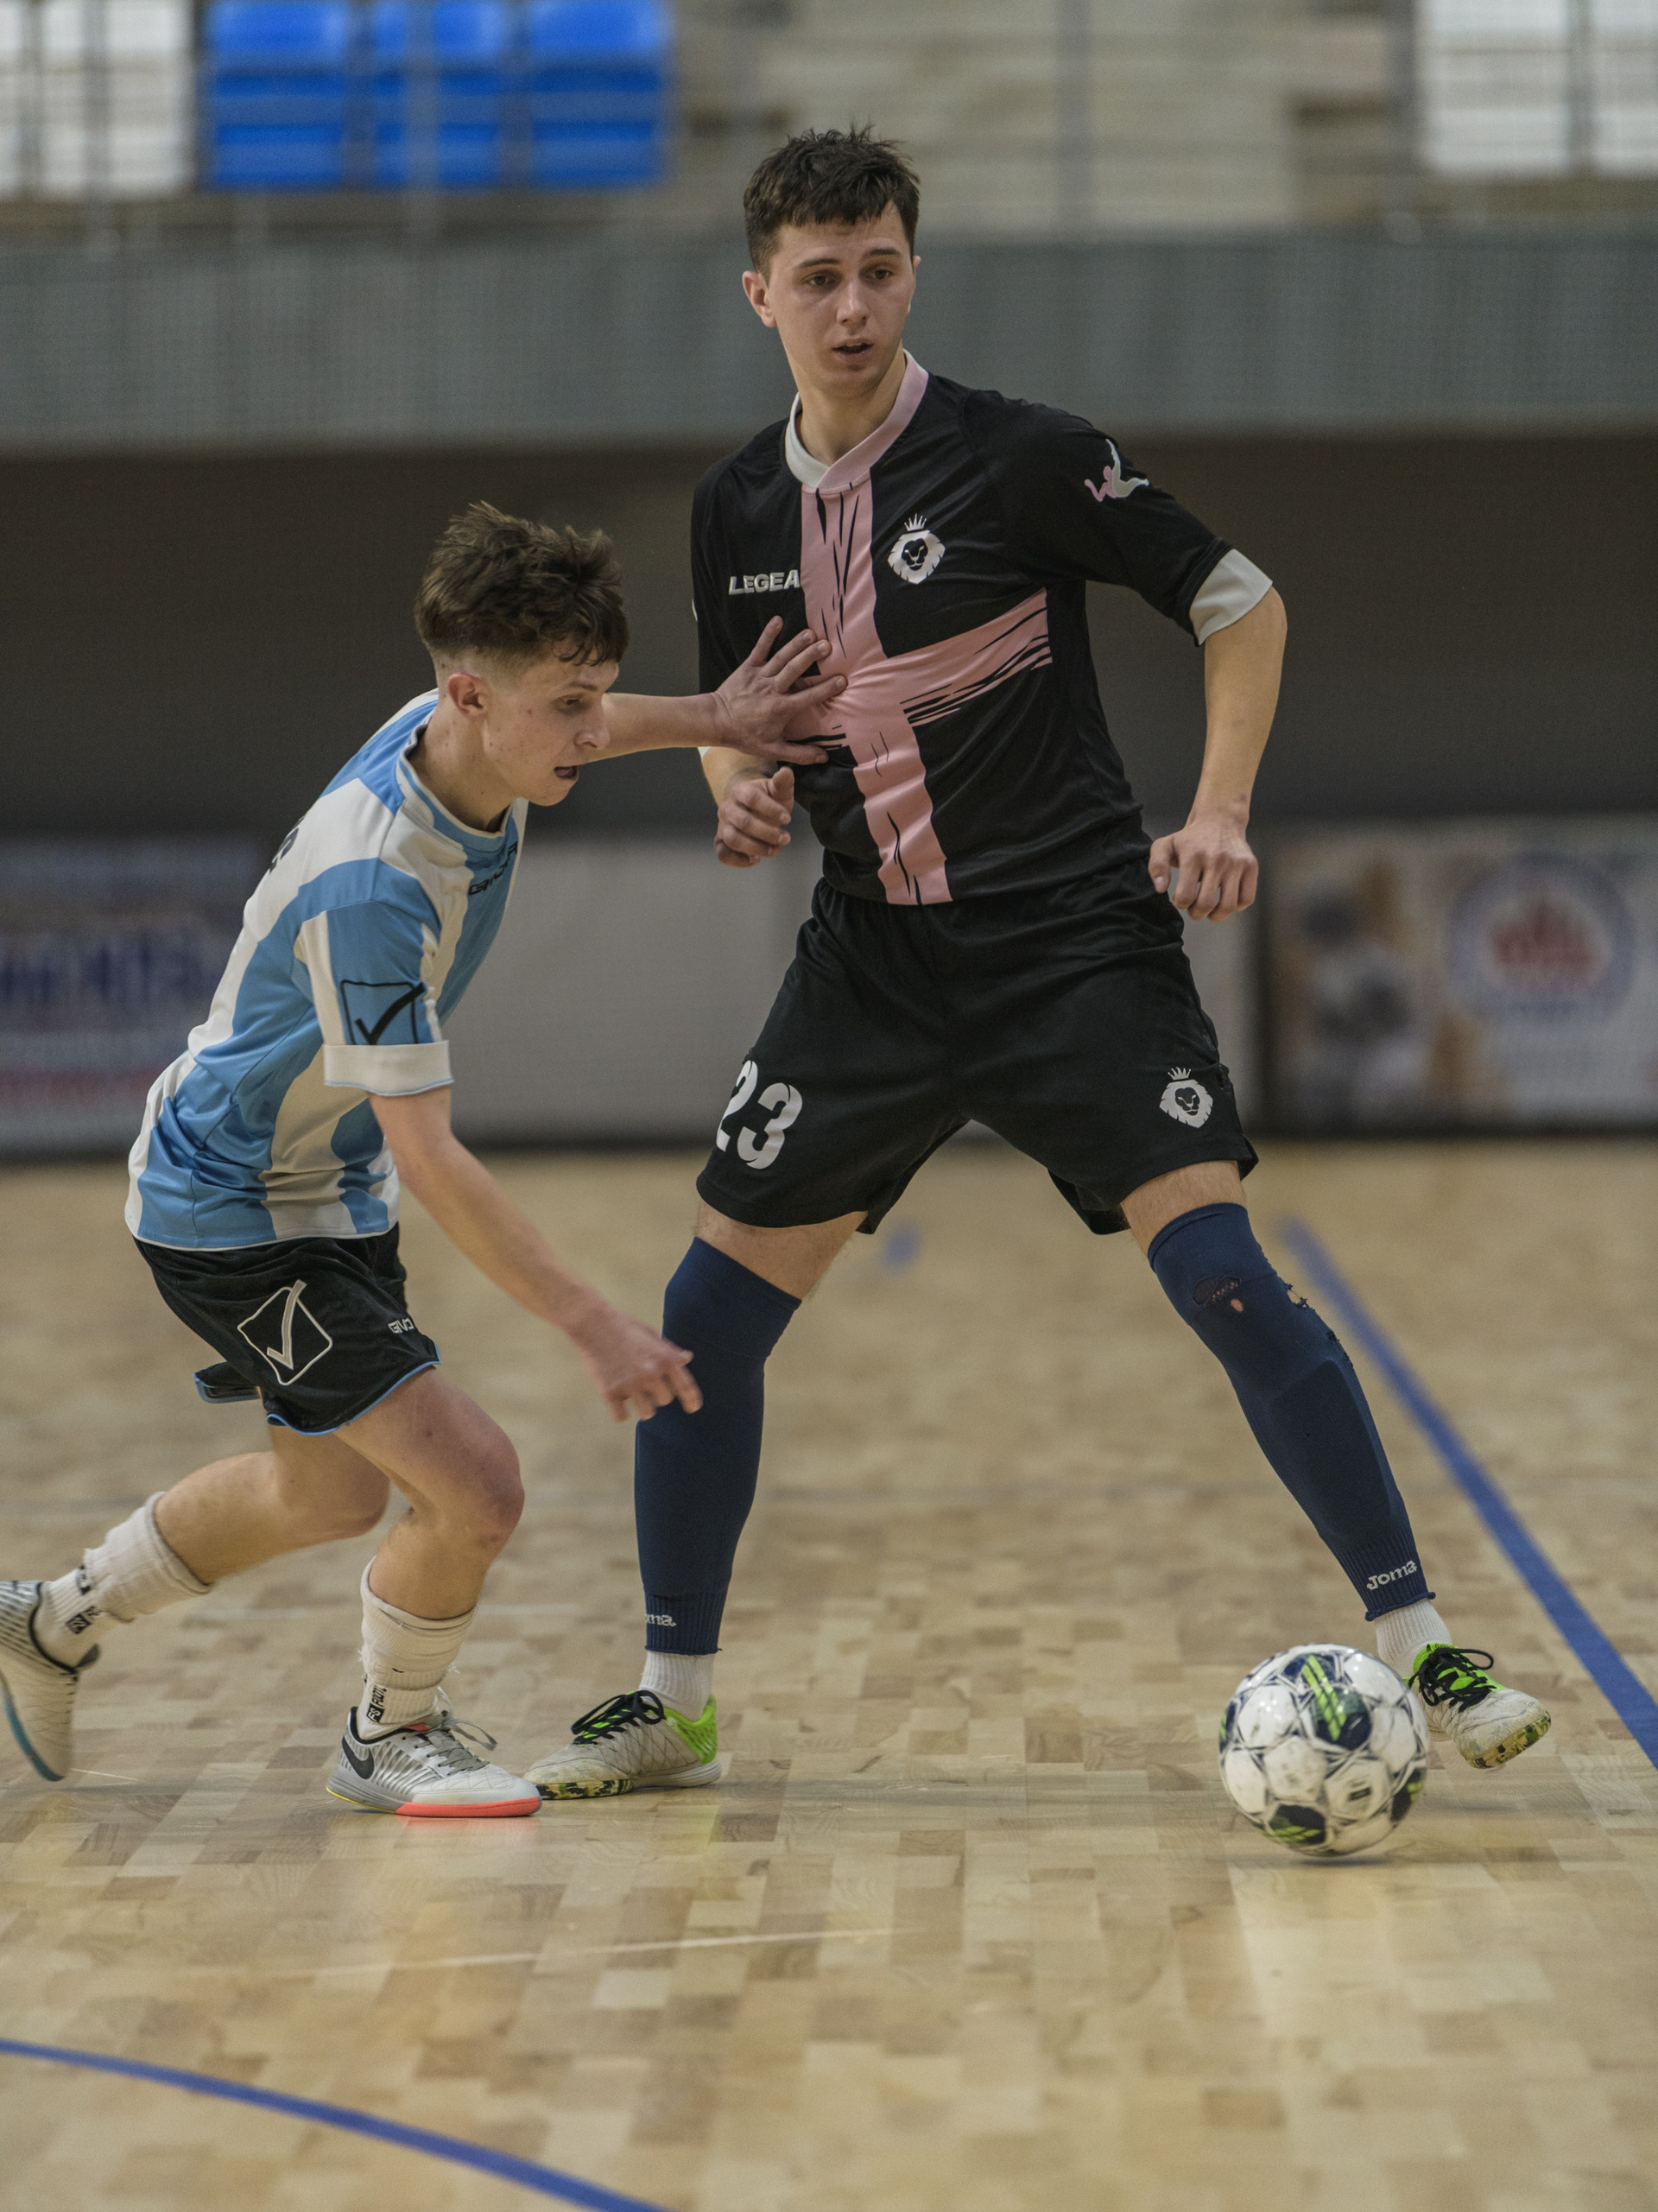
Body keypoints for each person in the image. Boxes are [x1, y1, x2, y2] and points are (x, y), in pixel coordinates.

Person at [525, 128, 1550, 1801]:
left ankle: (1423, 1635)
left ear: (911, 273)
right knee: (704, 1320)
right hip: (871, 969)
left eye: (880, 273)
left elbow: (1243, 601)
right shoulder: (732, 507)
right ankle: (672, 1701)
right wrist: (733, 787)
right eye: (818, 280)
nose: (853, 310)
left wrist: (1219, 809)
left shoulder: (1023, 458)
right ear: (759, 295)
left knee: (1225, 1277)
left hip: (1076, 949)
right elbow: (738, 715)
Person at [0, 503, 840, 1816]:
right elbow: (434, 1158)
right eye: (569, 708)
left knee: (327, 1492)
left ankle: (50, 1620)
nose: (593, 732)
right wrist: (594, 1325)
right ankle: (389, 1732)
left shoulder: (462, 736)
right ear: (468, 695)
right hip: (230, 1207)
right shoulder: (378, 888)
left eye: (597, 698)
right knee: (478, 1487)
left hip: (322, 1186)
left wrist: (715, 719)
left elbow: (592, 715)